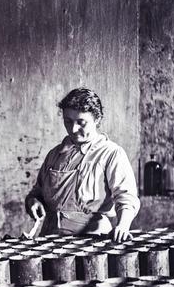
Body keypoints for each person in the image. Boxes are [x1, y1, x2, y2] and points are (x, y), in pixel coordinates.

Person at [25, 87, 140, 243]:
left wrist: (123, 225)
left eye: (81, 122)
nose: (73, 129)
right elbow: (37, 193)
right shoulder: (54, 155)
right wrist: (33, 201)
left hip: (92, 242)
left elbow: (127, 197)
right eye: (68, 121)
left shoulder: (111, 153)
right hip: (51, 239)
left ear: (97, 119)